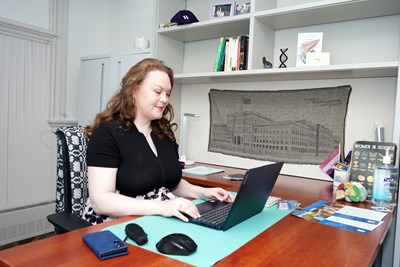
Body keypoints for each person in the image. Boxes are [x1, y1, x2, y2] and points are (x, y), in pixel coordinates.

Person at [82, 58, 234, 224]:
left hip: (157, 215)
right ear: (133, 91)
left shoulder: (163, 132)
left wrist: (203, 192)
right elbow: (101, 202)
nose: (165, 99)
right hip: (115, 222)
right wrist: (162, 207)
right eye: (157, 91)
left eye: (167, 94)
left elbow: (169, 182)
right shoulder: (107, 133)